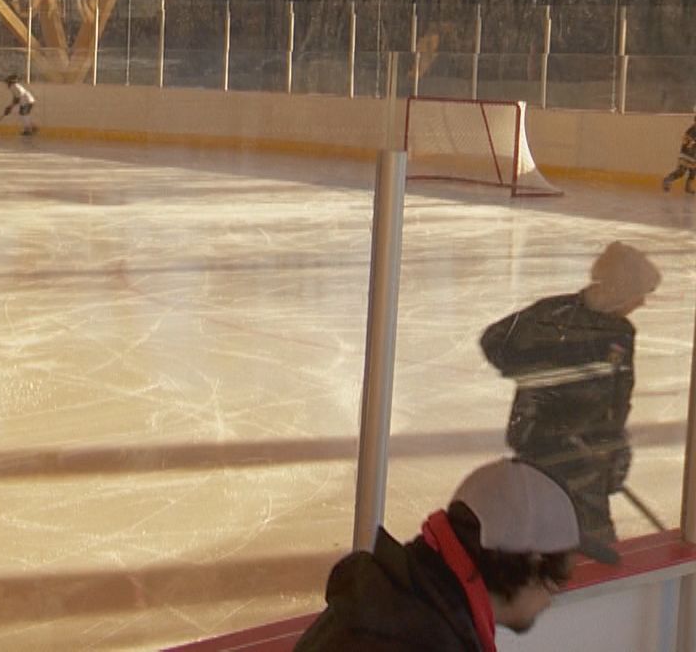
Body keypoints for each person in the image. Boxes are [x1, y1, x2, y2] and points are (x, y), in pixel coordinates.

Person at [480, 241, 660, 564]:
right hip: (544, 452)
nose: (642, 302)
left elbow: (618, 400)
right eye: (639, 293)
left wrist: (615, 449)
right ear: (621, 288)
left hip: (588, 461)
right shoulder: (553, 315)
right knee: (554, 545)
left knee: (590, 549)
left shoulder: (621, 334)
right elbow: (494, 340)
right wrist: (538, 377)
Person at [294, 457, 579, 650]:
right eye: (557, 579)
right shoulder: (423, 637)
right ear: (532, 564)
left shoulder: (389, 599)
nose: (552, 599)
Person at [661, 112, 696, 193]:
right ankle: (668, 179)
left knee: (693, 171)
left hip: (694, 155)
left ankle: (688, 186)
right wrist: (690, 143)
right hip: (686, 154)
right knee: (681, 171)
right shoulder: (692, 130)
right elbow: (687, 140)